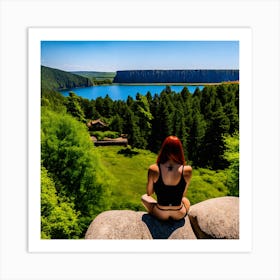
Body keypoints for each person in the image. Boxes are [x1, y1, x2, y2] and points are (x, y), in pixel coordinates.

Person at [141, 135, 192, 221]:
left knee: (144, 197)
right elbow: (183, 194)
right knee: (185, 200)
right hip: (179, 213)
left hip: (160, 212)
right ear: (179, 150)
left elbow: (149, 193)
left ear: (164, 150)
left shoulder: (154, 168)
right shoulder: (187, 170)